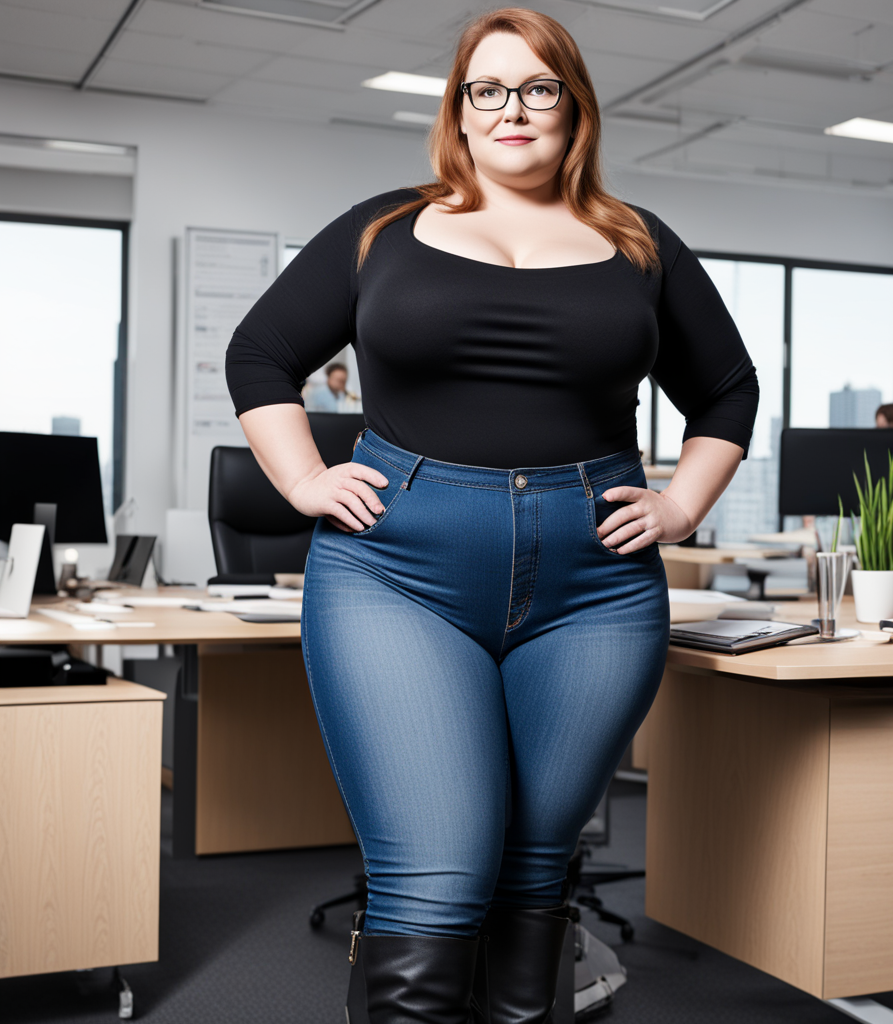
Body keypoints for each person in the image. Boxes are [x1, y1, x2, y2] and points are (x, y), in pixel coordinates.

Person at [225, 9, 758, 1022]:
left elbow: (726, 389)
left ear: (574, 106)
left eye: (538, 87)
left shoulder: (636, 242)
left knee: (532, 869)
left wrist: (684, 500)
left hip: (593, 589)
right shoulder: (385, 228)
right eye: (488, 89)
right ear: (459, 111)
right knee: (437, 869)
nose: (513, 109)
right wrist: (302, 480)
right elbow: (260, 354)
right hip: (399, 574)